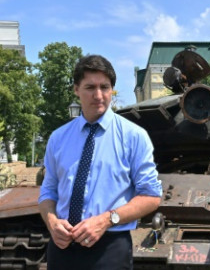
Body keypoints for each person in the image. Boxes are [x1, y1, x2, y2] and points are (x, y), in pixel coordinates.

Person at [38, 55, 162, 269]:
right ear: (76, 89)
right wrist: (52, 222)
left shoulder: (134, 136)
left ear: (112, 89)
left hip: (110, 248)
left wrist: (106, 220)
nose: (98, 95)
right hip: (62, 247)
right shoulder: (58, 138)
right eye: (90, 87)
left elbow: (151, 196)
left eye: (105, 87)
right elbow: (48, 192)